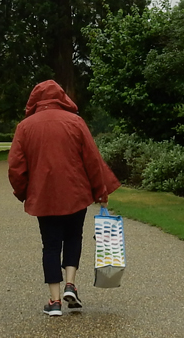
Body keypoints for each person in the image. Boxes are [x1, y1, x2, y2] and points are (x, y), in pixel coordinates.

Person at [8, 80, 120, 316]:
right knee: (73, 237)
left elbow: (16, 167)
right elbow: (92, 159)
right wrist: (101, 191)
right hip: (76, 192)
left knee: (50, 245)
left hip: (44, 195)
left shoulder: (25, 127)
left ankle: (55, 300)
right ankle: (71, 284)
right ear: (61, 97)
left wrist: (24, 193)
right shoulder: (75, 122)